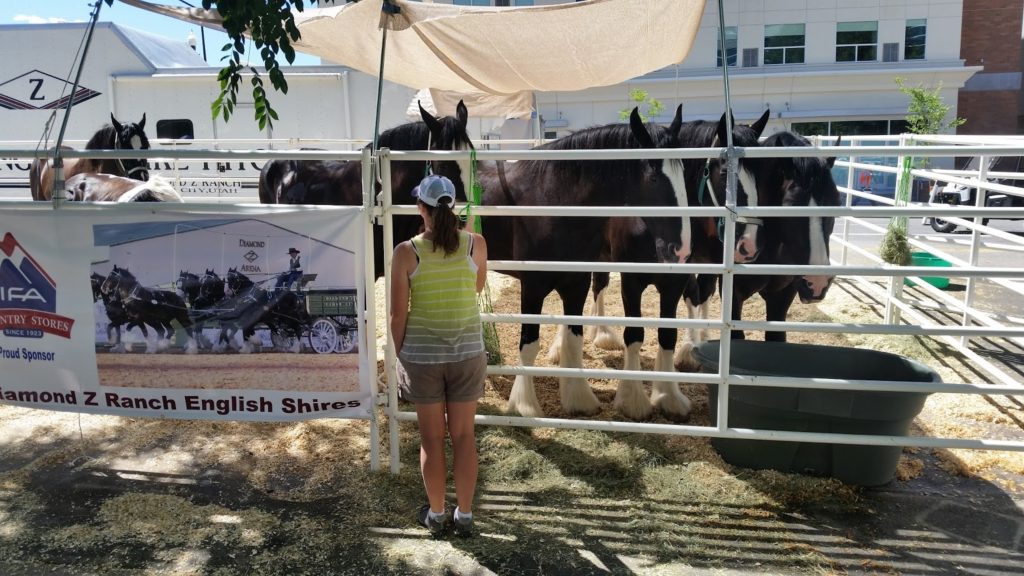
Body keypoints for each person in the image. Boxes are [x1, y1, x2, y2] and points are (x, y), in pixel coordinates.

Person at [390, 174, 488, 537]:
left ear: (421, 208)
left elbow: (398, 315)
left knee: (431, 440)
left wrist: (398, 356)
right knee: (463, 437)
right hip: (466, 353)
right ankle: (464, 517)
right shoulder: (475, 245)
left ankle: (436, 515)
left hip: (423, 357)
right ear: (453, 205)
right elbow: (476, 289)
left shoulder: (406, 252)